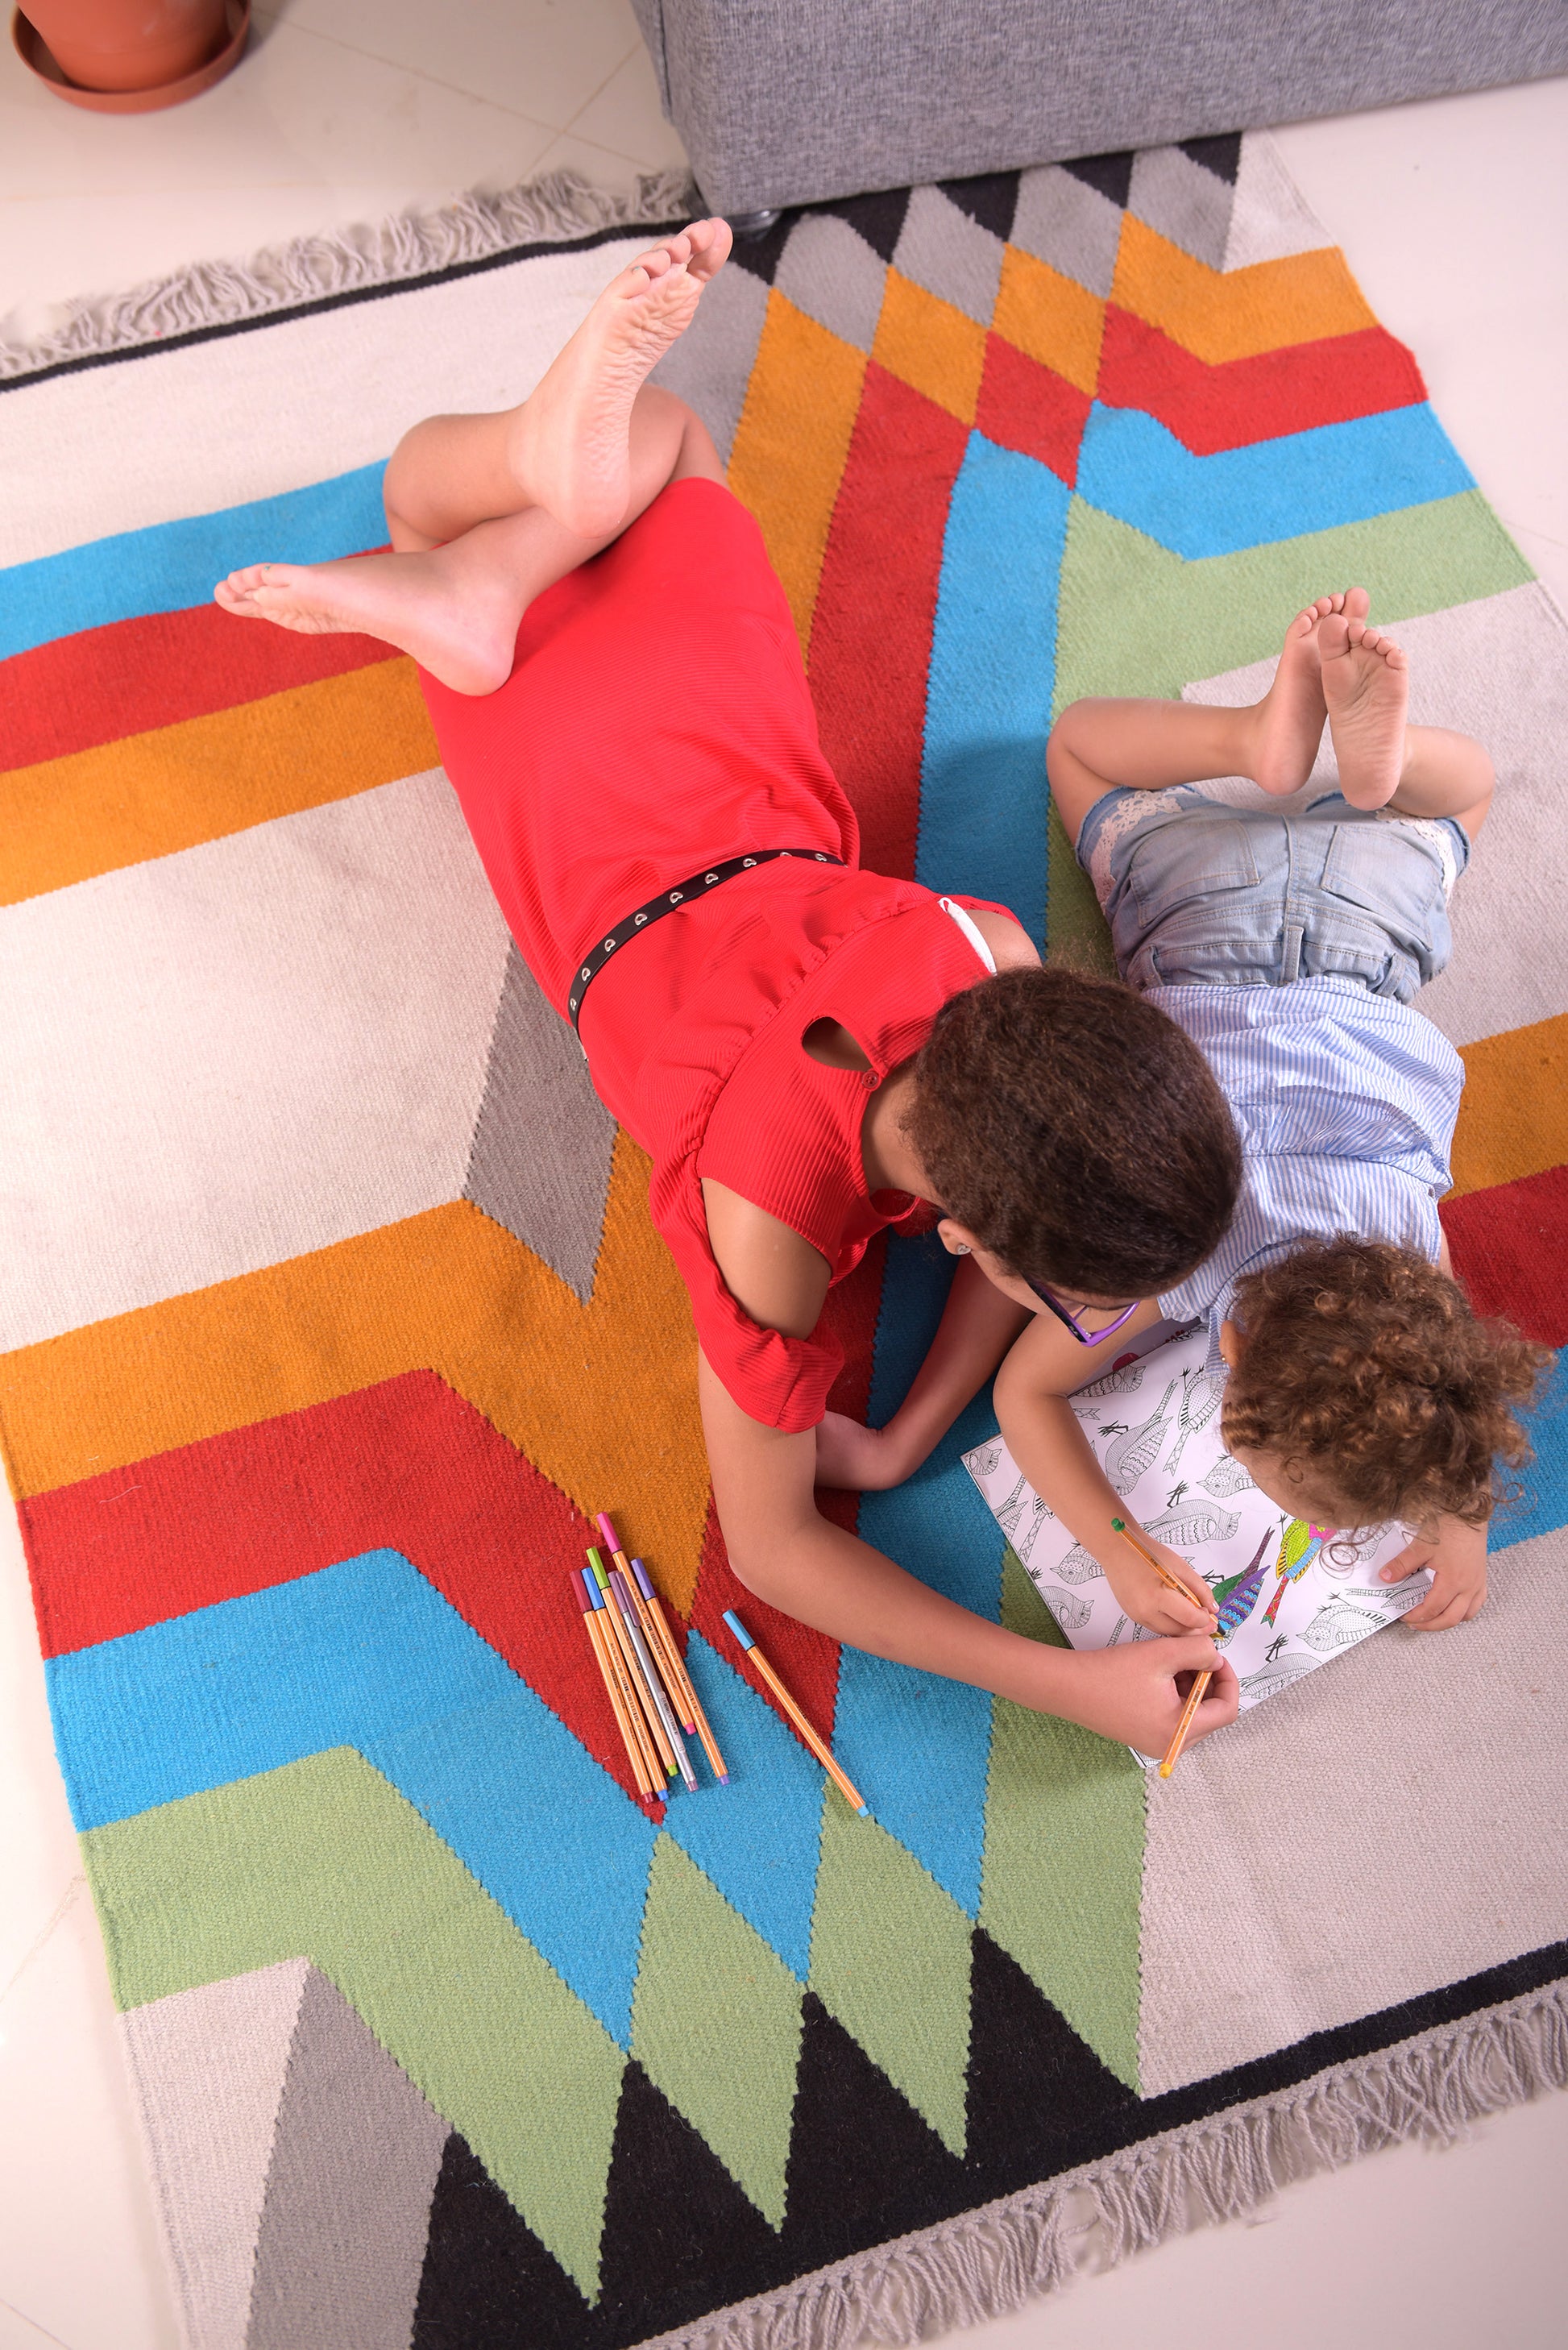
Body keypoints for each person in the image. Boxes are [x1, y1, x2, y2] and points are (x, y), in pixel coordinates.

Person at [214, 221, 1245, 1755]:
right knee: (459, 484)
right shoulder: (765, 1225)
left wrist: (900, 1435)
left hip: (709, 756)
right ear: (957, 1234)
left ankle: (505, 548)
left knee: (615, 454)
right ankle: (488, 563)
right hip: (591, 847)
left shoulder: (995, 960)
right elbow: (773, 1549)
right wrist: (1064, 1680)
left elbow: (1005, 1224)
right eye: (1075, 1300)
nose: (1099, 1321)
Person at [851, 592, 1548, 1634]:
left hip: (1366, 918)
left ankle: (1355, 768)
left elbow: (1435, 1360)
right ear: (1227, 1359)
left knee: (1471, 795)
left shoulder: (1410, 1243)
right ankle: (1289, 757)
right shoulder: (1170, 1257)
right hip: (1194, 921)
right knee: (1074, 754)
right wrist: (1118, 1552)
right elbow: (1023, 1398)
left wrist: (1457, 1508)